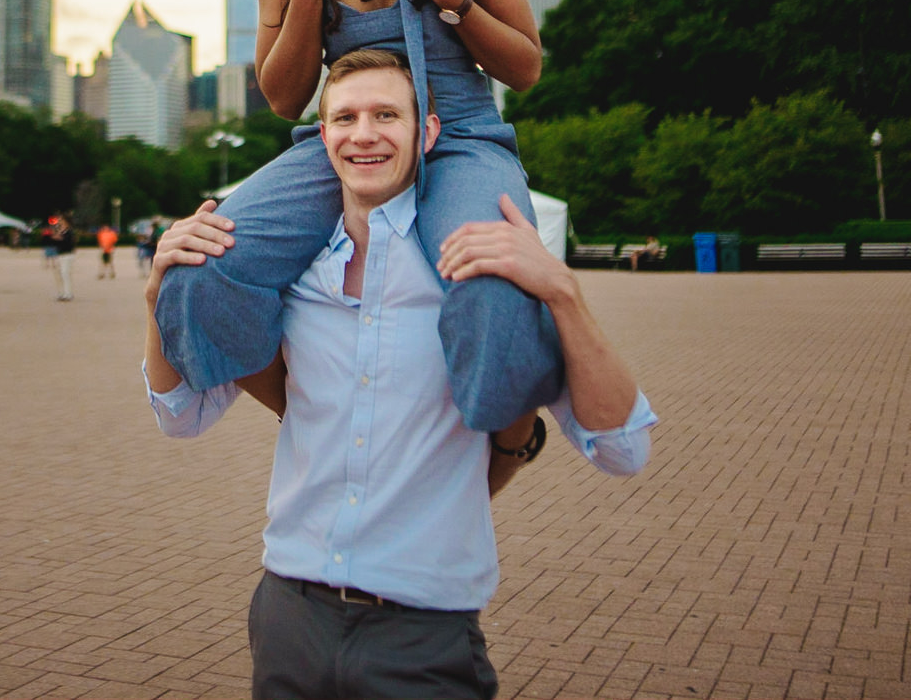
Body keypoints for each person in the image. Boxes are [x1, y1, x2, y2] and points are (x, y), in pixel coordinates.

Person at [146, 51, 657, 700]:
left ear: (429, 133)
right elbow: (177, 414)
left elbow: (623, 448)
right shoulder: (290, 279)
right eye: (346, 117)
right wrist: (157, 296)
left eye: (387, 115)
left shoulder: (479, 281)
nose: (364, 134)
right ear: (322, 136)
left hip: (423, 631)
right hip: (287, 615)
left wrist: (563, 295)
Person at [155, 0, 562, 433]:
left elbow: (525, 67)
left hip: (459, 137)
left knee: (495, 287)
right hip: (347, 144)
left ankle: (499, 440)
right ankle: (329, 425)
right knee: (198, 268)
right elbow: (284, 97)